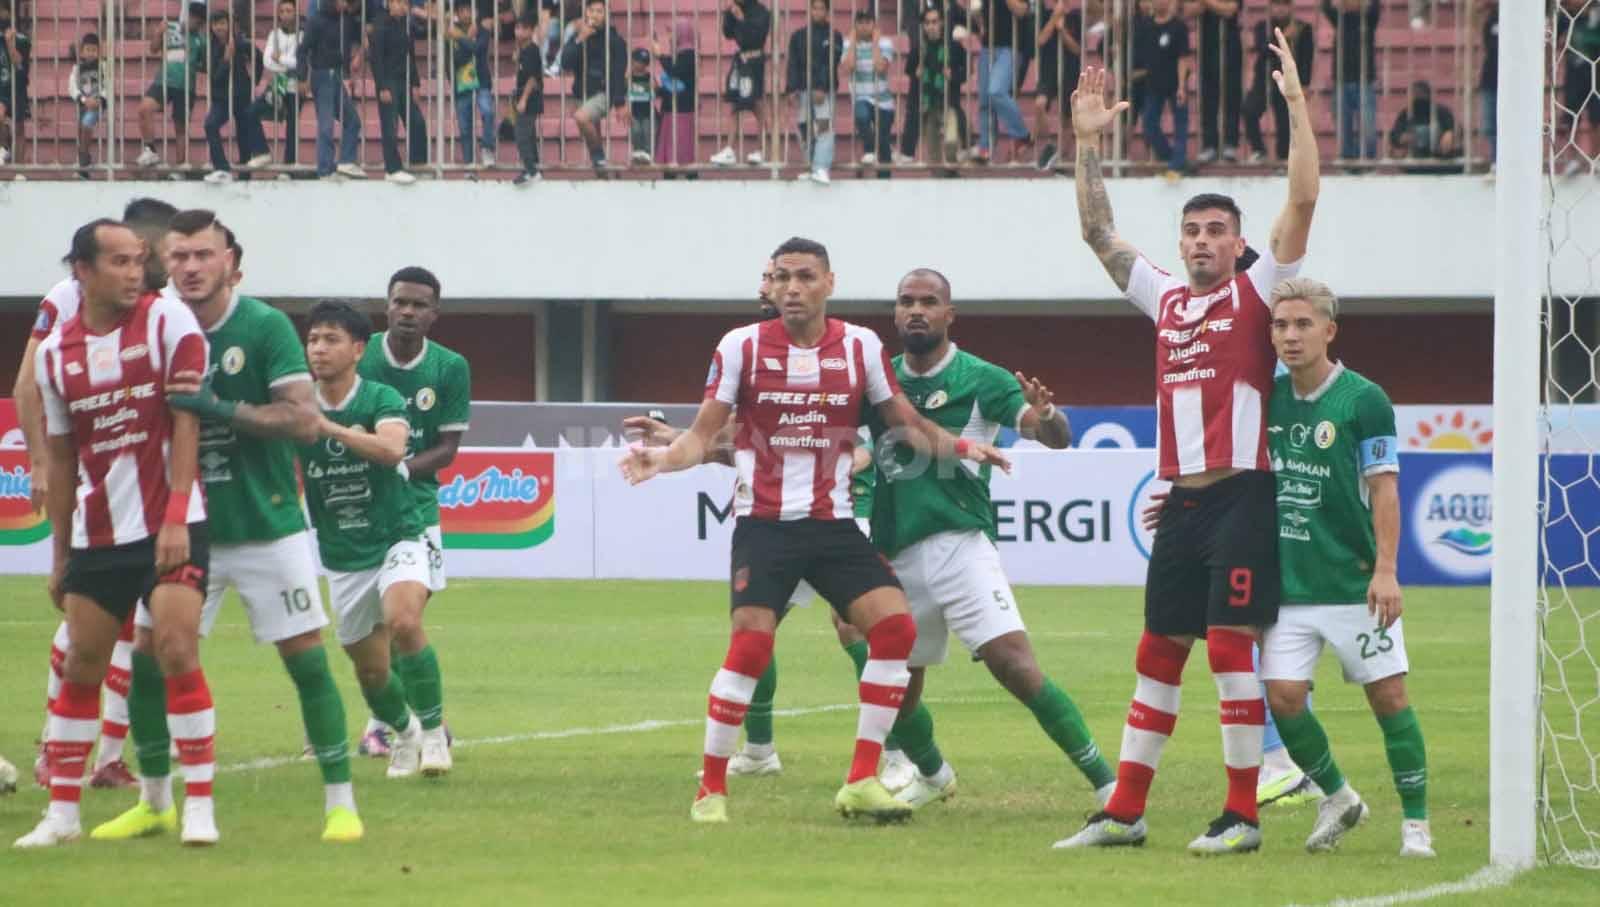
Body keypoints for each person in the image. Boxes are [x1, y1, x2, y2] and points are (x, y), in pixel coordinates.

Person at [620, 237, 1010, 824]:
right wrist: (665, 460)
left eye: (805, 276)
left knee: (896, 629)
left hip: (833, 526)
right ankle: (712, 791)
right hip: (766, 526)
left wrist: (963, 447)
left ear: (830, 283)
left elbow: (903, 422)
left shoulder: (860, 346)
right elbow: (703, 435)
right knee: (750, 647)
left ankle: (861, 779)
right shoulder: (740, 346)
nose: (792, 288)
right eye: (782, 277)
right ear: (771, 286)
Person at [1056, 39, 1318, 854]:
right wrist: (1087, 143)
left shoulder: (1257, 291)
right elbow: (1099, 232)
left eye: (1216, 231)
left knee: (1231, 649)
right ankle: (1125, 811)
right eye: (1192, 231)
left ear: (1239, 245)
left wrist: (1296, 108)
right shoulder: (1165, 299)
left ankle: (1242, 815)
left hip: (1243, 495)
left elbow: (1303, 200)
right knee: (1158, 649)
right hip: (1181, 502)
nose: (1202, 241)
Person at [94, 210, 361, 846]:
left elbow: (303, 422)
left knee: (306, 662)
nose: (190, 267)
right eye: (179, 256)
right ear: (164, 262)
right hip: (181, 529)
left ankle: (341, 804)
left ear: (229, 262)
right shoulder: (151, 323)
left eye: (203, 255)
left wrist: (220, 408)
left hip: (266, 525)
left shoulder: (263, 326)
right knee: (148, 659)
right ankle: (155, 802)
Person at [864, 268, 1116, 812]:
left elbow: (1055, 437)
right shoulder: (878, 380)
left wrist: (1048, 416)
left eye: (929, 301)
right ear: (895, 312)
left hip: (960, 544)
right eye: (906, 301)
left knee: (1015, 665)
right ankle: (931, 772)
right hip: (893, 550)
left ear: (949, 314)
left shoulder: (982, 378)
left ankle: (1108, 785)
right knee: (895, 681)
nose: (916, 310)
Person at [15, 219, 214, 849]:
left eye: (138, 261)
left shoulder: (168, 322)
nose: (136, 274)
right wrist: (60, 556)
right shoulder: (55, 355)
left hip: (171, 525)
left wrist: (177, 516)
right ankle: (62, 816)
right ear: (83, 271)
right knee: (82, 664)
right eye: (120, 263)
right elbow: (63, 457)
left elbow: (187, 424)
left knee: (176, 648)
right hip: (98, 535)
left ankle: (199, 806)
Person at [1260, 277, 1434, 858]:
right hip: (1288, 587)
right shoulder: (1265, 397)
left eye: (1302, 324)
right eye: (1280, 325)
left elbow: (1384, 488)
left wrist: (1386, 569)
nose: (1290, 336)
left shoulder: (1364, 399)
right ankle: (1338, 796)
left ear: (1329, 331)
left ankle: (1416, 824)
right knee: (1283, 698)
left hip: (1354, 582)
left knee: (1388, 698)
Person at [299, 300, 437, 784]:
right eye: (313, 339)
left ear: (358, 349)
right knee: (372, 673)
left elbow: (393, 449)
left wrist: (328, 428)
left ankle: (435, 734)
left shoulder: (380, 396)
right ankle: (406, 731)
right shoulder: (296, 404)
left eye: (331, 339)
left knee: (404, 620)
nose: (319, 349)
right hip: (342, 553)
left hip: (397, 535)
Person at [353, 267, 466, 768]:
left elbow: (448, 447)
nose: (407, 312)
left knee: (404, 619)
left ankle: (398, 723)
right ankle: (397, 721)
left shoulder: (449, 367)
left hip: (417, 503)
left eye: (419, 305)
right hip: (358, 504)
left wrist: (397, 467)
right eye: (400, 302)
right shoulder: (361, 357)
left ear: (434, 314)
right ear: (387, 305)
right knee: (373, 627)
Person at [202, 7, 272, 183]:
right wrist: (226, 60)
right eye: (215, 24)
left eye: (222, 23)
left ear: (229, 24)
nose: (219, 27)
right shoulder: (209, 47)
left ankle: (245, 175)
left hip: (241, 94)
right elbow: (214, 78)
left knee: (243, 133)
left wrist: (254, 81)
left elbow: (258, 58)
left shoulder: (240, 42)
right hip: (221, 98)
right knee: (210, 125)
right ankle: (222, 169)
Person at [135, 2, 207, 170]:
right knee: (144, 108)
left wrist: (193, 64)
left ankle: (180, 169)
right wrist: (158, 33)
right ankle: (150, 150)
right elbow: (153, 49)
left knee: (180, 128)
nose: (193, 22)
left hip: (186, 87)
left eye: (198, 21)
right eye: (192, 17)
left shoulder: (201, 40)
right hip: (164, 81)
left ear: (202, 23)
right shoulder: (170, 27)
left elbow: (205, 66)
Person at [300, 0, 366, 179]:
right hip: (322, 74)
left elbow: (364, 39)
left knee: (352, 121)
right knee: (326, 125)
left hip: (335, 75)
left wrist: (358, 57)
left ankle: (345, 162)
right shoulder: (317, 20)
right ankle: (325, 169)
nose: (346, 3)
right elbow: (303, 50)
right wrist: (302, 77)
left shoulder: (346, 20)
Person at [1243, 0, 1313, 164]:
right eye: (1276, 5)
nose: (1280, 9)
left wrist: (1305, 84)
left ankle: (1284, 158)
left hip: (1289, 80)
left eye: (1284, 5)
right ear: (1270, 7)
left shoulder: (1303, 28)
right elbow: (1263, 49)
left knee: (1284, 120)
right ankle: (1259, 150)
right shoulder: (1263, 26)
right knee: (1249, 110)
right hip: (1264, 79)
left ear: (1290, 7)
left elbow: (1306, 58)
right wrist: (1284, 38)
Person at [560, 0, 627, 169]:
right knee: (592, 132)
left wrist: (620, 102)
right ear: (586, 13)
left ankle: (598, 156)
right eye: (591, 10)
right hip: (582, 92)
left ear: (606, 15)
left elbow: (619, 72)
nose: (595, 15)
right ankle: (603, 173)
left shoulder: (614, 39)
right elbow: (565, 63)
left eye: (599, 11)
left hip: (603, 92)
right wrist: (579, 39)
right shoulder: (578, 36)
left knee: (581, 117)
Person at [786, 0, 843, 185]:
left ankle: (821, 168)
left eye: (821, 8)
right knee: (805, 127)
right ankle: (811, 167)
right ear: (810, 10)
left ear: (827, 11)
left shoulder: (834, 35)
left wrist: (821, 87)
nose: (818, 12)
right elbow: (793, 63)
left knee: (824, 125)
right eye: (815, 8)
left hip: (824, 90)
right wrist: (791, 88)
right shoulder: (798, 36)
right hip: (804, 89)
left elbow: (831, 63)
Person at [905, 4, 967, 169]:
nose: (931, 26)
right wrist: (916, 73)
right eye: (927, 23)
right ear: (923, 26)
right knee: (933, 156)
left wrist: (953, 75)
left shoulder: (953, 46)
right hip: (928, 105)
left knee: (951, 142)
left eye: (934, 22)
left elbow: (966, 71)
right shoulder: (919, 47)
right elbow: (909, 69)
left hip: (948, 103)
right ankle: (943, 179)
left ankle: (953, 174)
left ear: (942, 23)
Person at [711, 0, 773, 166]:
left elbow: (754, 38)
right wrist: (729, 14)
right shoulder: (737, 8)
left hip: (754, 61)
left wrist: (741, 18)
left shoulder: (761, 12)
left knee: (757, 105)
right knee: (735, 105)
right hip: (741, 61)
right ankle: (730, 150)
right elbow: (728, 33)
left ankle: (761, 150)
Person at [372, 0, 427, 184]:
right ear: (389, 3)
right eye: (397, 2)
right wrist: (382, 86)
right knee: (390, 125)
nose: (401, 6)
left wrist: (415, 83)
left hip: (404, 80)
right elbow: (376, 58)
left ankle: (418, 164)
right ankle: (392, 168)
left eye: (404, 2)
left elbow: (410, 55)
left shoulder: (405, 25)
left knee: (417, 122)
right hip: (388, 80)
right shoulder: (380, 23)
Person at [1135, 0, 1191, 179]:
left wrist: (1181, 85)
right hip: (1153, 84)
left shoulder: (1179, 26)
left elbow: (1183, 58)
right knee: (1149, 124)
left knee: (1180, 125)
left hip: (1175, 84)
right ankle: (1172, 158)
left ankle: (1177, 166)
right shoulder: (1145, 26)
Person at [1324, 0, 1380, 163]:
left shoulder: (1368, 19)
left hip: (1365, 81)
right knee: (1343, 128)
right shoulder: (1339, 19)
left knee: (1368, 127)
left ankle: (1368, 162)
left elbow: (1376, 6)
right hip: (1341, 81)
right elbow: (1325, 6)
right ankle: (1347, 163)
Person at [1033, 0, 1084, 171]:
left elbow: (1077, 49)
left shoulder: (1075, 17)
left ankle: (1062, 159)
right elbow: (1040, 40)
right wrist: (1054, 19)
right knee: (1040, 104)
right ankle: (1049, 144)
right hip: (1048, 70)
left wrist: (1062, 30)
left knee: (1067, 119)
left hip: (1070, 70)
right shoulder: (1044, 14)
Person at [1189, 0, 1242, 165]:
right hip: (1207, 45)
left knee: (1231, 95)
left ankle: (1230, 144)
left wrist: (1206, 3)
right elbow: (1190, 10)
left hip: (1230, 43)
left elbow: (1231, 9)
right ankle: (1209, 145)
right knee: (1208, 96)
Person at [841, 12, 895, 169]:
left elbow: (880, 68)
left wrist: (875, 44)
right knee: (861, 115)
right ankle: (870, 148)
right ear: (855, 25)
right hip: (861, 97)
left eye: (867, 22)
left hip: (884, 101)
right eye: (860, 23)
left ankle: (884, 179)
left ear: (874, 25)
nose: (864, 26)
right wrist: (853, 43)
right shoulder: (848, 43)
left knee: (883, 143)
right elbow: (849, 67)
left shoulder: (885, 42)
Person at [254, 0, 304, 168]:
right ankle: (262, 151)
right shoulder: (274, 34)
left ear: (295, 13)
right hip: (278, 85)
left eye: (289, 10)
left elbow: (300, 62)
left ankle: (288, 168)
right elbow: (267, 61)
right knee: (251, 112)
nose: (285, 14)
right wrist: (288, 64)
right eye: (282, 11)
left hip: (295, 87)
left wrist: (280, 58)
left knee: (292, 127)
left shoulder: (302, 35)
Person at [447, 0, 496, 168]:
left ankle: (487, 148)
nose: (466, 14)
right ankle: (468, 163)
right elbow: (457, 59)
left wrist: (462, 38)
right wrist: (466, 38)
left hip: (481, 81)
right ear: (457, 13)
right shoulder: (452, 32)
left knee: (488, 112)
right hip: (461, 83)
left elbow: (478, 49)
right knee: (465, 127)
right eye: (462, 10)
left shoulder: (482, 30)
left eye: (469, 10)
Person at [1387, 81, 1460, 173]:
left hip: (1441, 162)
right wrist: (1402, 138)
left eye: (1420, 94)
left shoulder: (1441, 111)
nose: (1417, 98)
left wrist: (1450, 133)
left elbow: (1456, 129)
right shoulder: (1406, 114)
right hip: (1415, 163)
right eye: (1414, 94)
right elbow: (1395, 136)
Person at [653, 20, 697, 169]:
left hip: (681, 110)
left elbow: (675, 72)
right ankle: (670, 175)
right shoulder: (679, 54)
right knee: (670, 150)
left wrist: (660, 55)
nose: (670, 37)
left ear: (681, 34)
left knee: (681, 147)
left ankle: (689, 175)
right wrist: (658, 90)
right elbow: (674, 83)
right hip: (671, 108)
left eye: (671, 33)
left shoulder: (689, 54)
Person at [67, 33, 106, 178]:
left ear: (99, 52)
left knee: (86, 124)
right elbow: (72, 86)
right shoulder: (77, 68)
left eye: (94, 50)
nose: (91, 53)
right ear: (82, 52)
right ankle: (84, 166)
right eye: (88, 50)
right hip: (83, 104)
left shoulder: (103, 66)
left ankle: (83, 162)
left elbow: (108, 84)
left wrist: (100, 99)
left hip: (97, 104)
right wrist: (83, 100)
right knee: (81, 130)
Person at [513, 11, 545, 184]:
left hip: (530, 99)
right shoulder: (524, 50)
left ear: (531, 30)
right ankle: (535, 169)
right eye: (517, 28)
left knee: (521, 134)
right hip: (526, 98)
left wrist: (523, 99)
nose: (519, 32)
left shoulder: (532, 50)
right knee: (529, 135)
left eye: (524, 28)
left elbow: (532, 78)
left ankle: (531, 170)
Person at [626, 47, 655, 164]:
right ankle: (637, 154)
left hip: (647, 111)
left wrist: (654, 86)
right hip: (634, 111)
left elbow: (656, 89)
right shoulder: (629, 77)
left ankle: (648, 156)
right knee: (636, 131)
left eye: (644, 62)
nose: (640, 64)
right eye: (638, 61)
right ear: (632, 61)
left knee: (648, 132)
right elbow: (623, 91)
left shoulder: (649, 77)